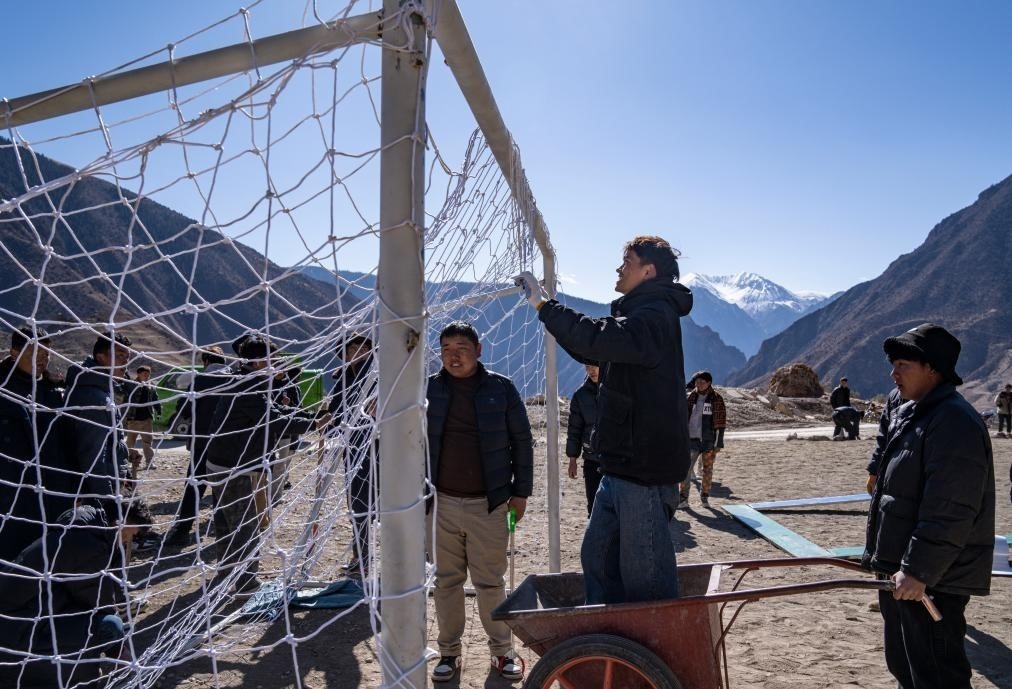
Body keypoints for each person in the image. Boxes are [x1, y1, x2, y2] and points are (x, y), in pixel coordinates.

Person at [515, 235, 692, 605]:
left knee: (645, 577)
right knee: (598, 558)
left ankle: (652, 637)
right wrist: (547, 312)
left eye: (627, 262)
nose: (618, 268)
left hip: (643, 470)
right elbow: (592, 348)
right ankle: (607, 629)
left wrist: (545, 306)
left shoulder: (654, 316)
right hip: (619, 465)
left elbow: (598, 338)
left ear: (648, 271)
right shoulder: (640, 315)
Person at [862, 323, 995, 689]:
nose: (893, 374)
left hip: (933, 579)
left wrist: (918, 570)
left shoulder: (953, 423)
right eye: (893, 364)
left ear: (932, 368)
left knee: (937, 675)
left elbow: (949, 509)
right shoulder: (914, 412)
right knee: (907, 668)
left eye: (903, 365)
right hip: (902, 571)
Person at [427, 322, 532, 683]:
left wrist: (521, 493)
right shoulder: (428, 390)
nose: (453, 356)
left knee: (490, 582)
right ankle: (449, 652)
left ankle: (502, 652)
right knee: (446, 582)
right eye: (446, 349)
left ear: (479, 350)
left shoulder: (501, 389)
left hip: (490, 504)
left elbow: (522, 441)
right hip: (440, 503)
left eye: (461, 348)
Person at [203, 335, 317, 596]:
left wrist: (310, 417)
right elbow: (275, 420)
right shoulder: (250, 387)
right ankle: (247, 584)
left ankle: (226, 575)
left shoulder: (248, 381)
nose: (276, 365)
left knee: (227, 523)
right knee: (245, 526)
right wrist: (315, 423)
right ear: (256, 362)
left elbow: (275, 411)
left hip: (222, 462)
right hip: (234, 467)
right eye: (272, 360)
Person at [0, 500, 153, 687]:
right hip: (19, 626)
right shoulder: (89, 544)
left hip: (25, 609)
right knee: (110, 626)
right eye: (131, 534)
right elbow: (98, 601)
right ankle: (77, 679)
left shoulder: (85, 524)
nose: (128, 541)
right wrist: (119, 650)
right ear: (120, 522)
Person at [0, 326, 72, 562]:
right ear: (14, 352)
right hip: (11, 493)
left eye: (47, 353)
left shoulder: (53, 390)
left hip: (51, 490)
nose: (43, 359)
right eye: (36, 352)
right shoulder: (4, 389)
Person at [164, 346, 233, 547]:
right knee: (224, 487)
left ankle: (182, 531)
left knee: (194, 486)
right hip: (230, 443)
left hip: (203, 441)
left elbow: (184, 409)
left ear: (206, 362)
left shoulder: (200, 381)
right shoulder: (236, 380)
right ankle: (224, 534)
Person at [63, 333, 137, 520]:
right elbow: (93, 458)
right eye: (119, 356)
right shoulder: (94, 398)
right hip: (97, 491)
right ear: (101, 357)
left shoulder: (99, 389)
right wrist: (109, 504)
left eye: (127, 358)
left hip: (104, 483)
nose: (125, 363)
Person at [325, 333, 377, 574]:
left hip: (386, 450)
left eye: (363, 348)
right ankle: (361, 558)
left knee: (391, 506)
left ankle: (408, 561)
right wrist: (329, 426)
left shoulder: (382, 375)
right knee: (358, 506)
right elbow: (336, 411)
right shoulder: (344, 379)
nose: (358, 353)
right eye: (352, 350)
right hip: (355, 451)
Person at [678, 370, 726, 508]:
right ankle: (683, 499)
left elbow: (720, 422)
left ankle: (704, 497)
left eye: (701, 382)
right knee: (686, 470)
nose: (698, 384)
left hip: (708, 441)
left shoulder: (716, 399)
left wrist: (718, 443)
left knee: (707, 470)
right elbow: (682, 418)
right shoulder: (690, 397)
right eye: (697, 382)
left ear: (709, 383)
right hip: (691, 440)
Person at [566, 363, 601, 517]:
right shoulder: (580, 396)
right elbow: (574, 429)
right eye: (587, 367)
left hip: (617, 461)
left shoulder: (617, 390)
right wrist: (572, 458)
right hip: (592, 460)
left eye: (595, 366)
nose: (591, 370)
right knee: (594, 508)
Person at [124, 365, 161, 475]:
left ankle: (149, 462)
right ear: (138, 374)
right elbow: (124, 395)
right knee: (130, 442)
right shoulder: (131, 384)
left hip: (147, 419)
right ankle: (127, 462)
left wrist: (159, 411)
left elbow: (155, 399)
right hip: (133, 419)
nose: (147, 376)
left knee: (147, 442)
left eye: (148, 374)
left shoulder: (151, 386)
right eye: (144, 374)